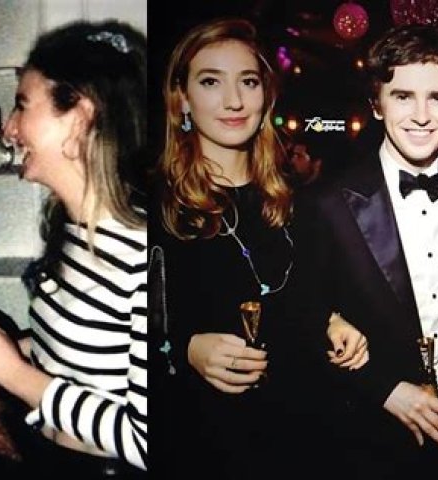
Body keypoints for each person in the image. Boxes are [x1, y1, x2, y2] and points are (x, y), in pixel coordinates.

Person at [149, 18, 368, 479]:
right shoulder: (153, 206)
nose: (234, 101)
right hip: (207, 445)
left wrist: (332, 321)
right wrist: (184, 350)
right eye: (211, 82)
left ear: (265, 96)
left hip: (305, 440)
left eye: (248, 82)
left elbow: (306, 298)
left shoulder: (297, 201)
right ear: (181, 97)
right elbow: (119, 333)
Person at [292, 24, 438, 479]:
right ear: (377, 104)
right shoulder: (328, 203)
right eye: (403, 96)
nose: (422, 115)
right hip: (371, 433)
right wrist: (385, 389)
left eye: (437, 97)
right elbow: (302, 314)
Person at [0, 19, 148, 478]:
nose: (9, 129)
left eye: (23, 105)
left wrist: (14, 373)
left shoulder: (146, 257)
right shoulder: (70, 231)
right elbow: (92, 353)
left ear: (79, 119)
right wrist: (19, 350)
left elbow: (145, 441)